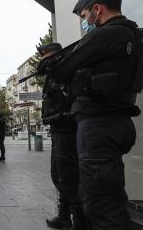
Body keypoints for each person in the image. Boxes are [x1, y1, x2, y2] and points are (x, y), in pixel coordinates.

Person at [53, 0, 143, 229]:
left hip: (99, 125)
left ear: (98, 10)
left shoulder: (107, 34)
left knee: (101, 206)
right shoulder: (135, 35)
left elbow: (63, 70)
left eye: (85, 15)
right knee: (110, 197)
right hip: (118, 121)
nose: (84, 21)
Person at [37, 43, 86, 230]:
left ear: (54, 55)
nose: (42, 59)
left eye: (44, 55)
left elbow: (72, 101)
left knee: (69, 179)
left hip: (67, 132)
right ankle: (64, 215)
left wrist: (61, 117)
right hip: (58, 131)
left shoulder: (66, 72)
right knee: (58, 176)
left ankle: (80, 222)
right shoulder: (54, 74)